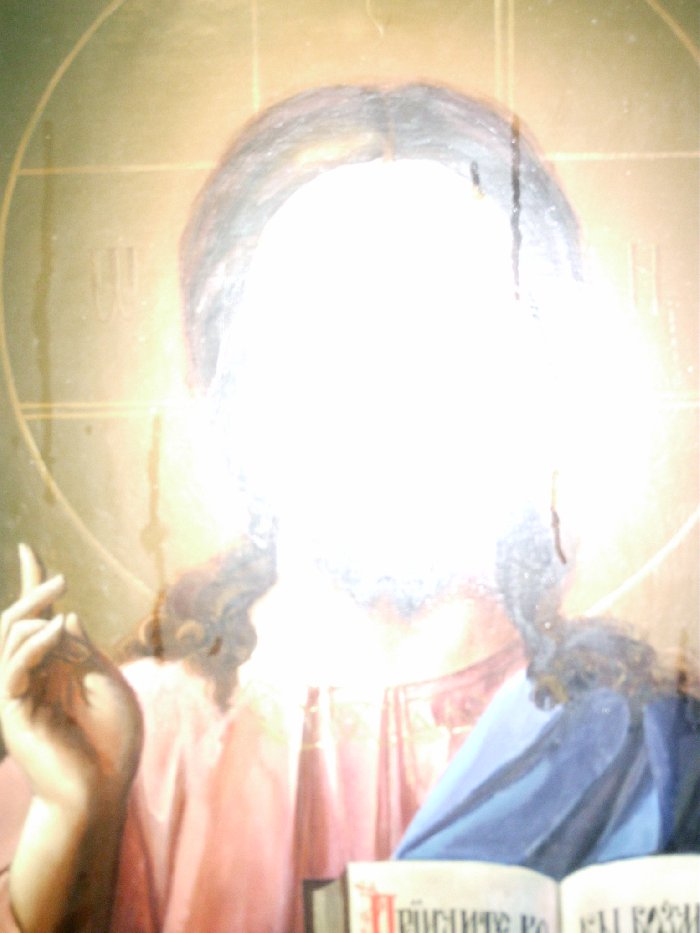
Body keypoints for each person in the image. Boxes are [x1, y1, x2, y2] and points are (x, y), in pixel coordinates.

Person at [0, 84, 697, 933]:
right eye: (327, 329)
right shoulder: (118, 742)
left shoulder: (644, 745)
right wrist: (76, 818)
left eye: (450, 324)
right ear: (236, 384)